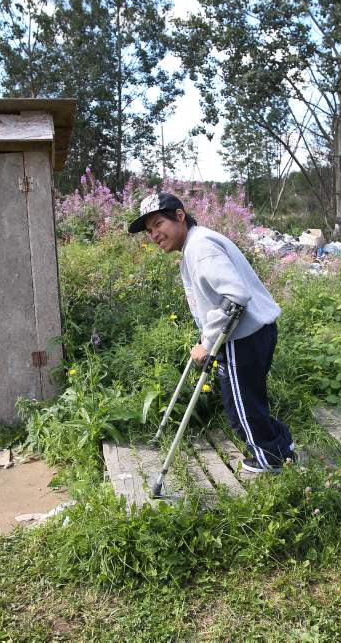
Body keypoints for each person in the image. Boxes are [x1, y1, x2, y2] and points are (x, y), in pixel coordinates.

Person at [129, 191, 296, 472]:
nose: (154, 234)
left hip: (240, 339)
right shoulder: (197, 242)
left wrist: (208, 342)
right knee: (250, 401)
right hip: (254, 332)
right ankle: (282, 447)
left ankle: (271, 460)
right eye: (149, 230)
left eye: (159, 224)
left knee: (239, 409)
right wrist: (206, 332)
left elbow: (235, 296)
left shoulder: (200, 247)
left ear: (180, 217)